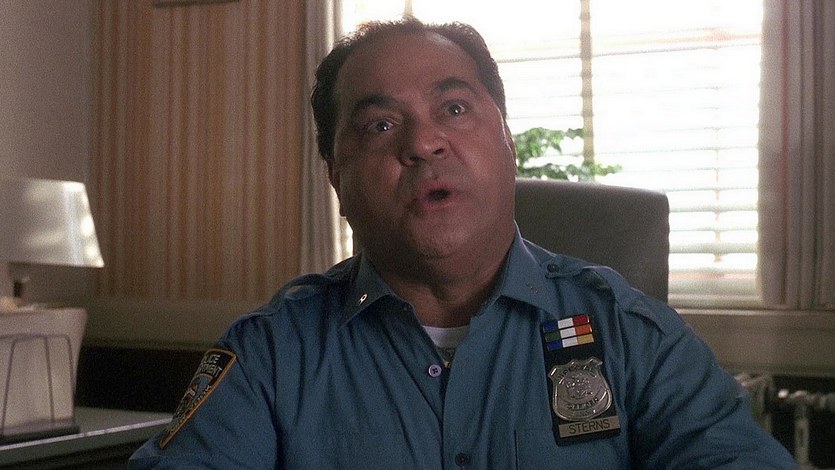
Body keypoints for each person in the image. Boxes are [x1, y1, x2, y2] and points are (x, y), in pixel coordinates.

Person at [130, 18, 796, 468]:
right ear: (336, 178)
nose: (423, 143)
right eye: (379, 125)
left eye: (453, 108)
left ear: (506, 141)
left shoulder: (631, 335)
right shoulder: (272, 355)